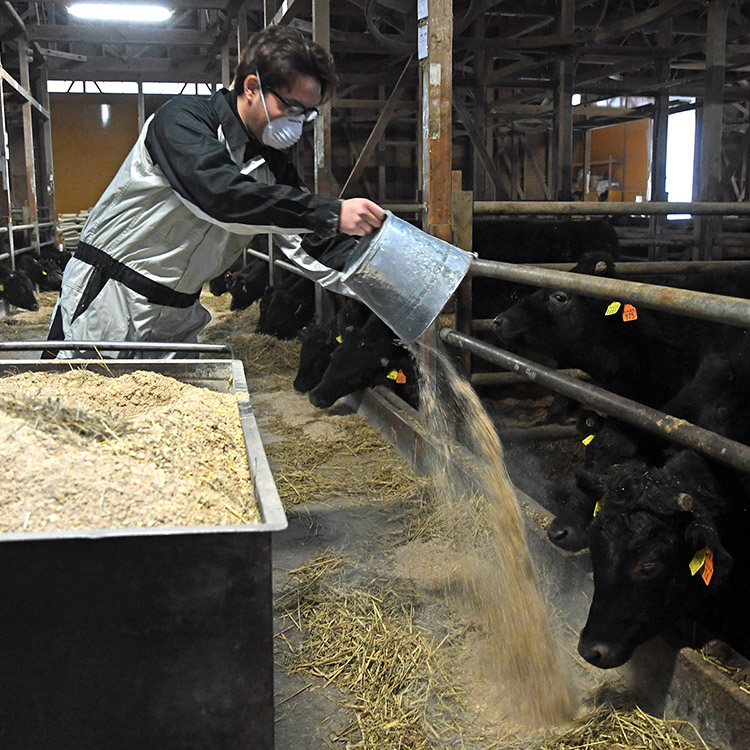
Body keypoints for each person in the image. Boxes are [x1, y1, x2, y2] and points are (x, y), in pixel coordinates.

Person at [46, 25, 385, 358]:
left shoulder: (270, 164)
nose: (296, 123)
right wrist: (331, 211)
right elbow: (221, 197)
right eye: (292, 108)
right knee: (81, 404)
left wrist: (393, 282)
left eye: (307, 115)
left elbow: (314, 241)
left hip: (179, 313)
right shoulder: (182, 121)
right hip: (109, 298)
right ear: (252, 87)